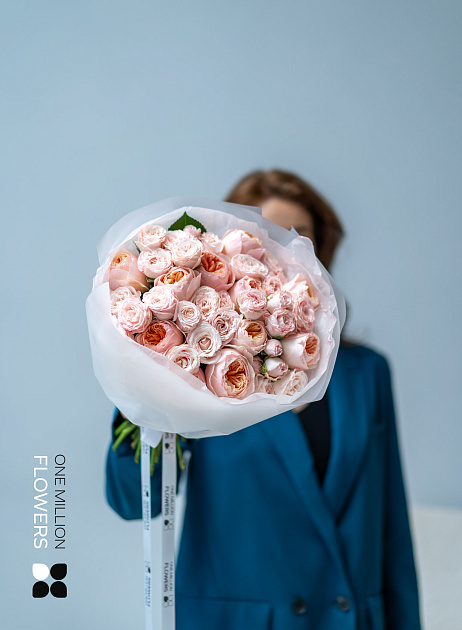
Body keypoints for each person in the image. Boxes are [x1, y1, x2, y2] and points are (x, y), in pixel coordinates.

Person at [105, 169, 422, 629]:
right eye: (267, 236)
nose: (284, 251)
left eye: (301, 237)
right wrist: (145, 384)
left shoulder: (365, 373)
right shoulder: (197, 371)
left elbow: (392, 529)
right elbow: (133, 501)